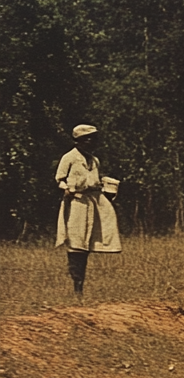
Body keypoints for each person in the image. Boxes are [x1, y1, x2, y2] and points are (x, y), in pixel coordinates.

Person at [54, 124, 121, 296]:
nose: (91, 141)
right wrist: (66, 188)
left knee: (88, 242)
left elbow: (94, 179)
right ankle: (77, 286)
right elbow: (59, 179)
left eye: (93, 138)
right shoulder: (69, 158)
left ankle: (80, 284)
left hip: (93, 201)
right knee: (76, 243)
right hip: (76, 202)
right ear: (78, 141)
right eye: (87, 138)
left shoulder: (94, 160)